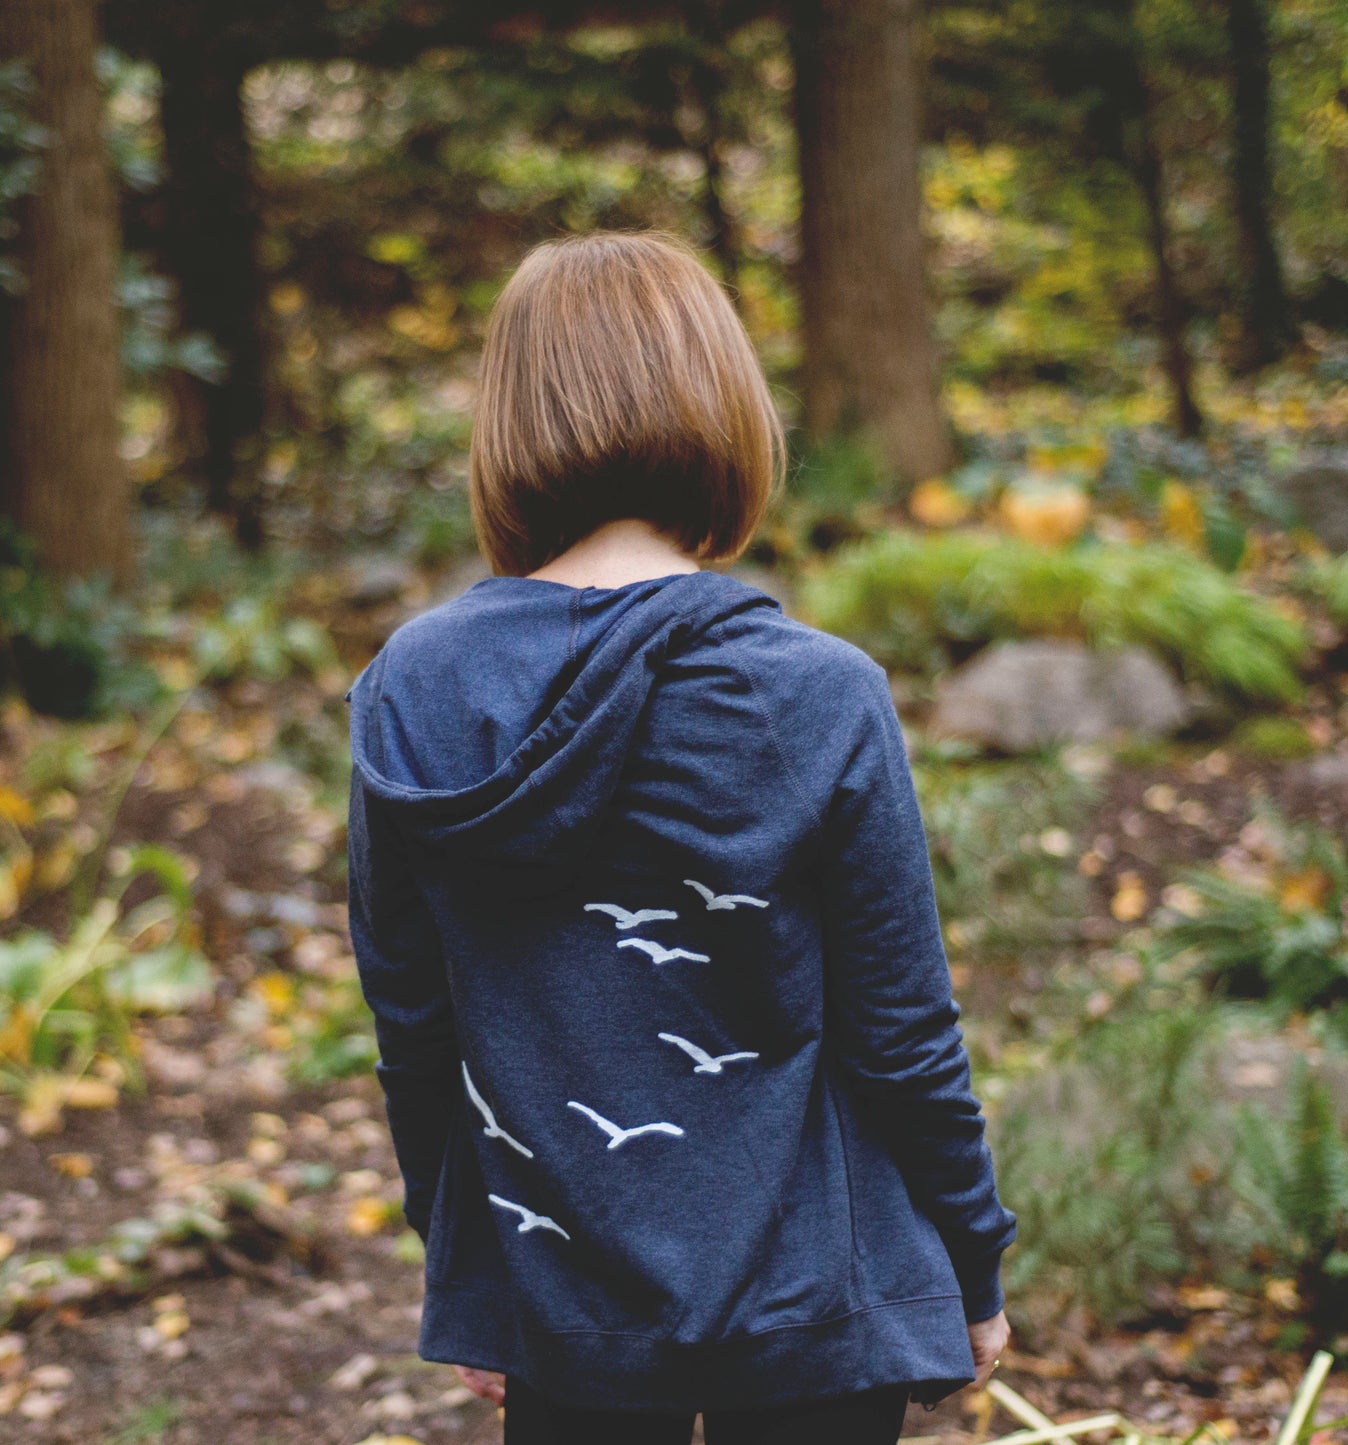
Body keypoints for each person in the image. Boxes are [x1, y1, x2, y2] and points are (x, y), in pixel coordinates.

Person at [346, 230, 1017, 1445]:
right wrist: (969, 1258)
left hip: (558, 1296)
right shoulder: (812, 689)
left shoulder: (411, 688)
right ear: (724, 407)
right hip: (818, 1302)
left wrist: (474, 1279)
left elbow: (414, 1023)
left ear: (508, 424)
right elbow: (900, 1027)